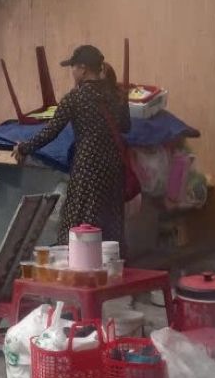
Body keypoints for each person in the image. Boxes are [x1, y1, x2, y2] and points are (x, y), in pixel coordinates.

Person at [14, 44, 131, 243]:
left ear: (83, 68)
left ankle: (82, 266)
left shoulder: (75, 98)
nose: (72, 72)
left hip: (88, 169)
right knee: (110, 225)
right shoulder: (117, 95)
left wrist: (23, 147)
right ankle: (110, 267)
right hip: (113, 169)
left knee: (81, 225)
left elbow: (50, 132)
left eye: (73, 67)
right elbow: (126, 126)